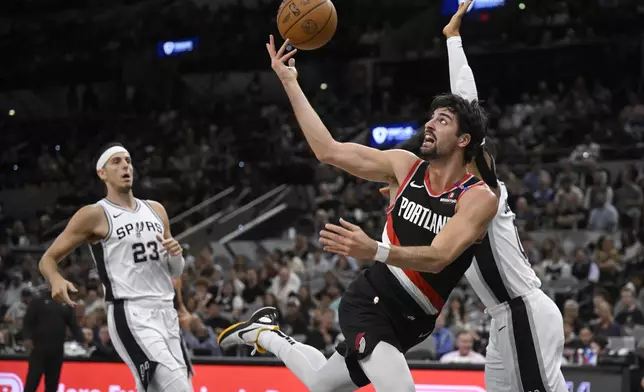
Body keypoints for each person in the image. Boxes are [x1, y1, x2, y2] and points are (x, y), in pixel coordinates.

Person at [218, 33, 496, 392]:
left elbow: (440, 257)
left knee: (322, 385)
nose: (429, 123)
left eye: (442, 120)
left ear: (464, 141)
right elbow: (328, 150)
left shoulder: (478, 198)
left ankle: (265, 335)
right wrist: (290, 82)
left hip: (415, 319)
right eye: (431, 117)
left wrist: (375, 249)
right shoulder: (404, 167)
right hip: (372, 300)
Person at [383, 2, 567, 391]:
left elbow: (467, 104)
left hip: (522, 310)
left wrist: (453, 42)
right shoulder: (445, 197)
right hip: (500, 318)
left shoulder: (482, 188)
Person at [38, 143, 192, 392]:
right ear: (102, 173)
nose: (125, 166)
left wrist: (176, 256)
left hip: (166, 312)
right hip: (131, 312)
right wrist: (55, 279)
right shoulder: (95, 214)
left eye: (128, 161)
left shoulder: (156, 210)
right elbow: (47, 258)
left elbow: (174, 271)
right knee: (178, 388)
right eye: (117, 162)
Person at [22, 289, 84, 392]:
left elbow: (73, 325)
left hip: (57, 349)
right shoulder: (39, 301)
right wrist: (27, 338)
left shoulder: (66, 303)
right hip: (39, 348)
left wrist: (82, 340)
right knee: (32, 380)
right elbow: (28, 321)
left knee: (52, 383)